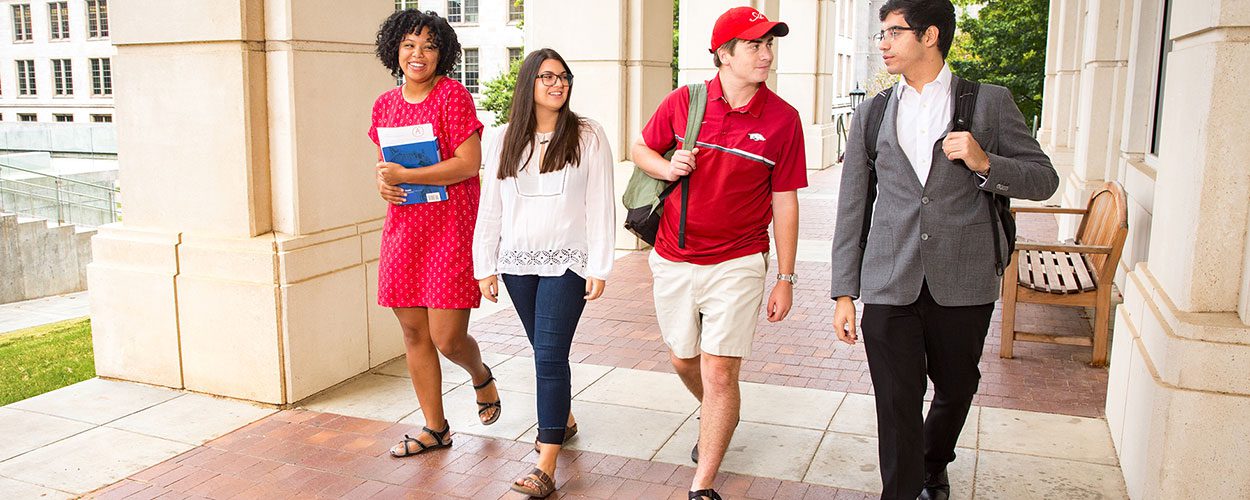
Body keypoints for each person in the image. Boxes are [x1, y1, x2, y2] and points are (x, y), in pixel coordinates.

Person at [829, 1, 1058, 499]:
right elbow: (852, 208)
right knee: (896, 401)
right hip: (890, 279)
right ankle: (904, 491)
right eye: (881, 34)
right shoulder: (872, 112)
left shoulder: (989, 103)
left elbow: (1044, 179)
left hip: (964, 276)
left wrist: (984, 161)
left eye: (893, 32)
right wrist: (844, 291)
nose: (883, 43)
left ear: (930, 35)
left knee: (957, 389)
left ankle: (935, 462)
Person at [630, 7, 807, 500]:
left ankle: (701, 484)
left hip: (740, 260)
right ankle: (718, 415)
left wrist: (786, 278)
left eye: (769, 44)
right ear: (724, 54)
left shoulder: (783, 120)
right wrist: (666, 169)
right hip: (674, 255)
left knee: (719, 369)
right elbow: (642, 148)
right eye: (754, 45)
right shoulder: (685, 101)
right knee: (683, 359)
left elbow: (785, 200)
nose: (766, 54)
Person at [471, 48, 616, 498]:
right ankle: (564, 419)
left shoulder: (588, 134)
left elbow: (600, 202)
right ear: (529, 82)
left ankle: (545, 460)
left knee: (549, 355)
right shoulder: (502, 139)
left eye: (564, 77)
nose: (558, 84)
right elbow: (491, 206)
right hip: (517, 264)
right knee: (545, 351)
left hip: (568, 263)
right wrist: (485, 264)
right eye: (548, 77)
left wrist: (599, 264)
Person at [368, 9, 501, 459]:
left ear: (441, 52)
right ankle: (435, 427)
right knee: (412, 334)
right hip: (405, 227)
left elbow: (468, 163)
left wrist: (410, 172)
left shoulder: (452, 96)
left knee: (447, 338)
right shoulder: (384, 105)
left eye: (428, 44)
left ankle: (480, 375)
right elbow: (388, 167)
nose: (417, 53)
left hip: (450, 226)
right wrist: (386, 182)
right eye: (408, 44)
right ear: (396, 51)